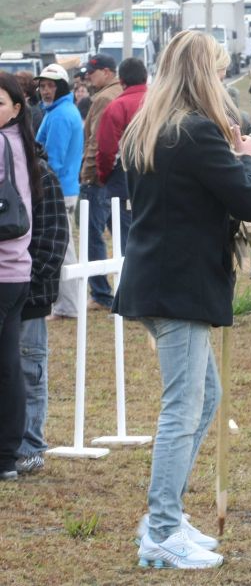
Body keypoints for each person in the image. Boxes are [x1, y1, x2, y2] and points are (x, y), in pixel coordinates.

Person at [113, 30, 251, 570]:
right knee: (183, 408)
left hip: (158, 279)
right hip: (180, 285)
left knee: (204, 397)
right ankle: (159, 528)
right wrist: (247, 157)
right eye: (220, 71)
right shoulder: (196, 133)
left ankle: (168, 515)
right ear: (204, 75)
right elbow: (248, 200)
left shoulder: (152, 130)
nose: (225, 81)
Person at [15, 144, 69, 475]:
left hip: (28, 296)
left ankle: (30, 446)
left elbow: (53, 241)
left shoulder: (40, 174)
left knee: (28, 371)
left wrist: (28, 284)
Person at [0, 72, 42, 481]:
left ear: (15, 108)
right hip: (17, 268)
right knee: (9, 364)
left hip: (2, 269)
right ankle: (8, 455)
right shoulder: (21, 143)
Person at [34, 63, 82, 320]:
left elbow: (53, 159)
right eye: (42, 86)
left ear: (61, 87)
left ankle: (69, 305)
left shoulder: (61, 115)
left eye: (51, 85)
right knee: (65, 247)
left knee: (62, 249)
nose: (45, 90)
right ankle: (69, 304)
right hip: (65, 187)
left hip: (59, 189)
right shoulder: (60, 111)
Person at [79, 54, 123, 311]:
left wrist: (89, 173)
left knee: (92, 234)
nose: (88, 78)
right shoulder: (119, 92)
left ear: (107, 72)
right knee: (121, 232)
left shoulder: (105, 98)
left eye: (92, 73)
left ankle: (100, 293)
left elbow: (98, 142)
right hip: (117, 176)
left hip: (99, 175)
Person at [94, 57, 149, 255]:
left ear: (122, 81)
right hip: (159, 173)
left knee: (125, 235)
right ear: (145, 76)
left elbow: (107, 150)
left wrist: (103, 175)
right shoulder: (160, 102)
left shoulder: (117, 107)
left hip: (124, 176)